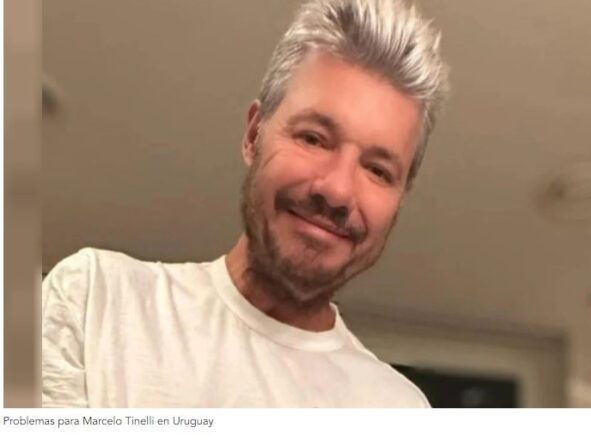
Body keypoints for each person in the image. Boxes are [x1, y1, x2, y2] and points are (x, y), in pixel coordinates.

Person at [42, 0, 448, 407]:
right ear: (254, 135)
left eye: (377, 170)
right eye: (313, 138)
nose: (338, 191)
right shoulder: (96, 301)